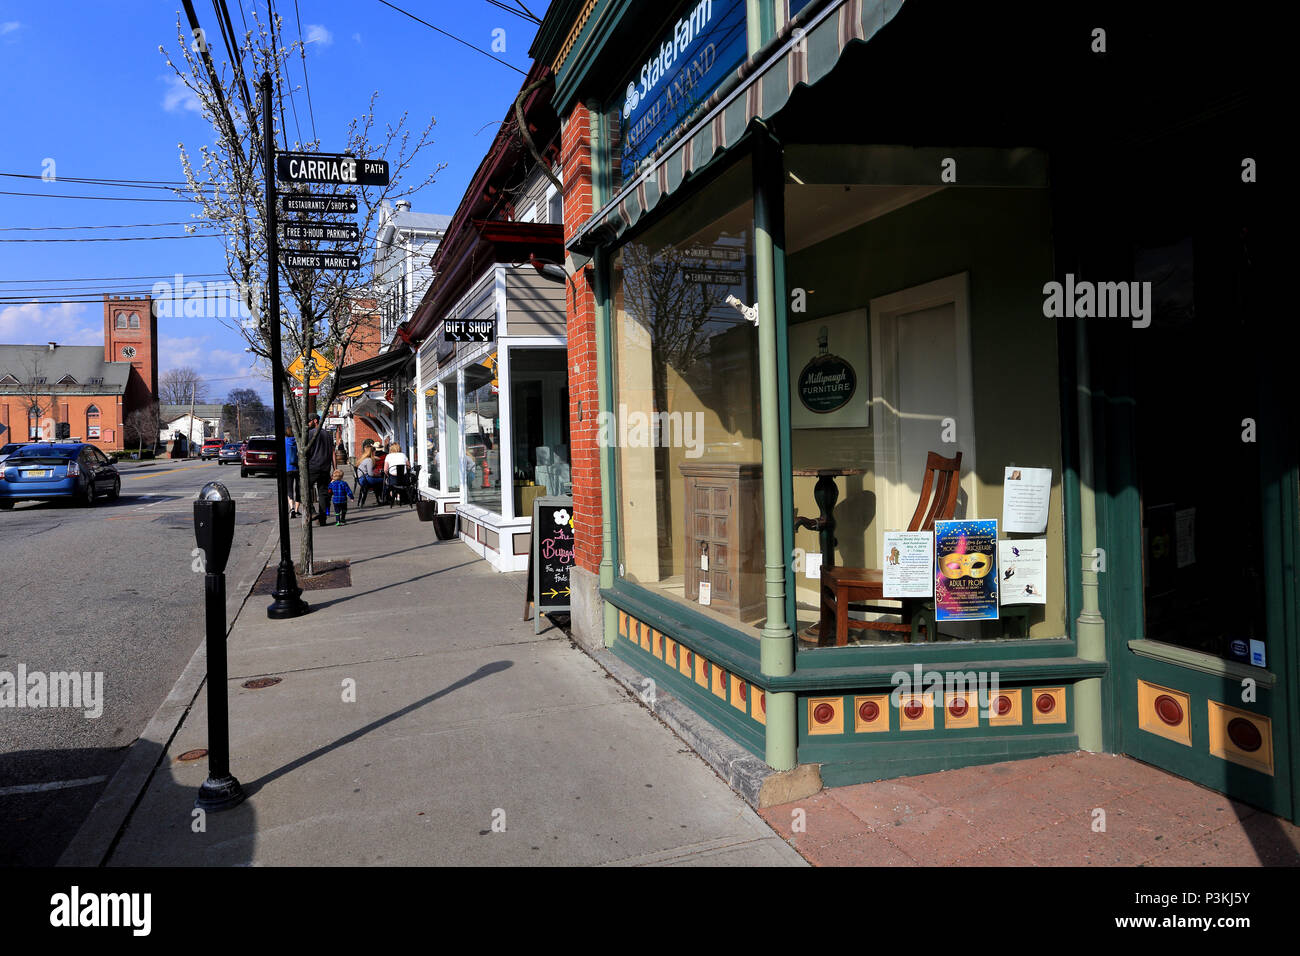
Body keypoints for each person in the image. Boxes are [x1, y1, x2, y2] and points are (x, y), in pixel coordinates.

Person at [304, 415, 334, 527]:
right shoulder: (328, 435)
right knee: (323, 493)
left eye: (309, 422)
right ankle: (322, 518)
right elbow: (332, 452)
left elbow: (306, 452)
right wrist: (334, 468)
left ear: (315, 421)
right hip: (325, 468)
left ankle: (312, 512)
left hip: (313, 466)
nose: (308, 424)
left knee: (304, 488)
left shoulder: (310, 434)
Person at [284, 430, 302, 518]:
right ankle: (297, 509)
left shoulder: (284, 441)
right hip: (298, 468)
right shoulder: (299, 440)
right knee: (298, 489)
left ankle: (291, 508)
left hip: (288, 468)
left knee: (289, 489)